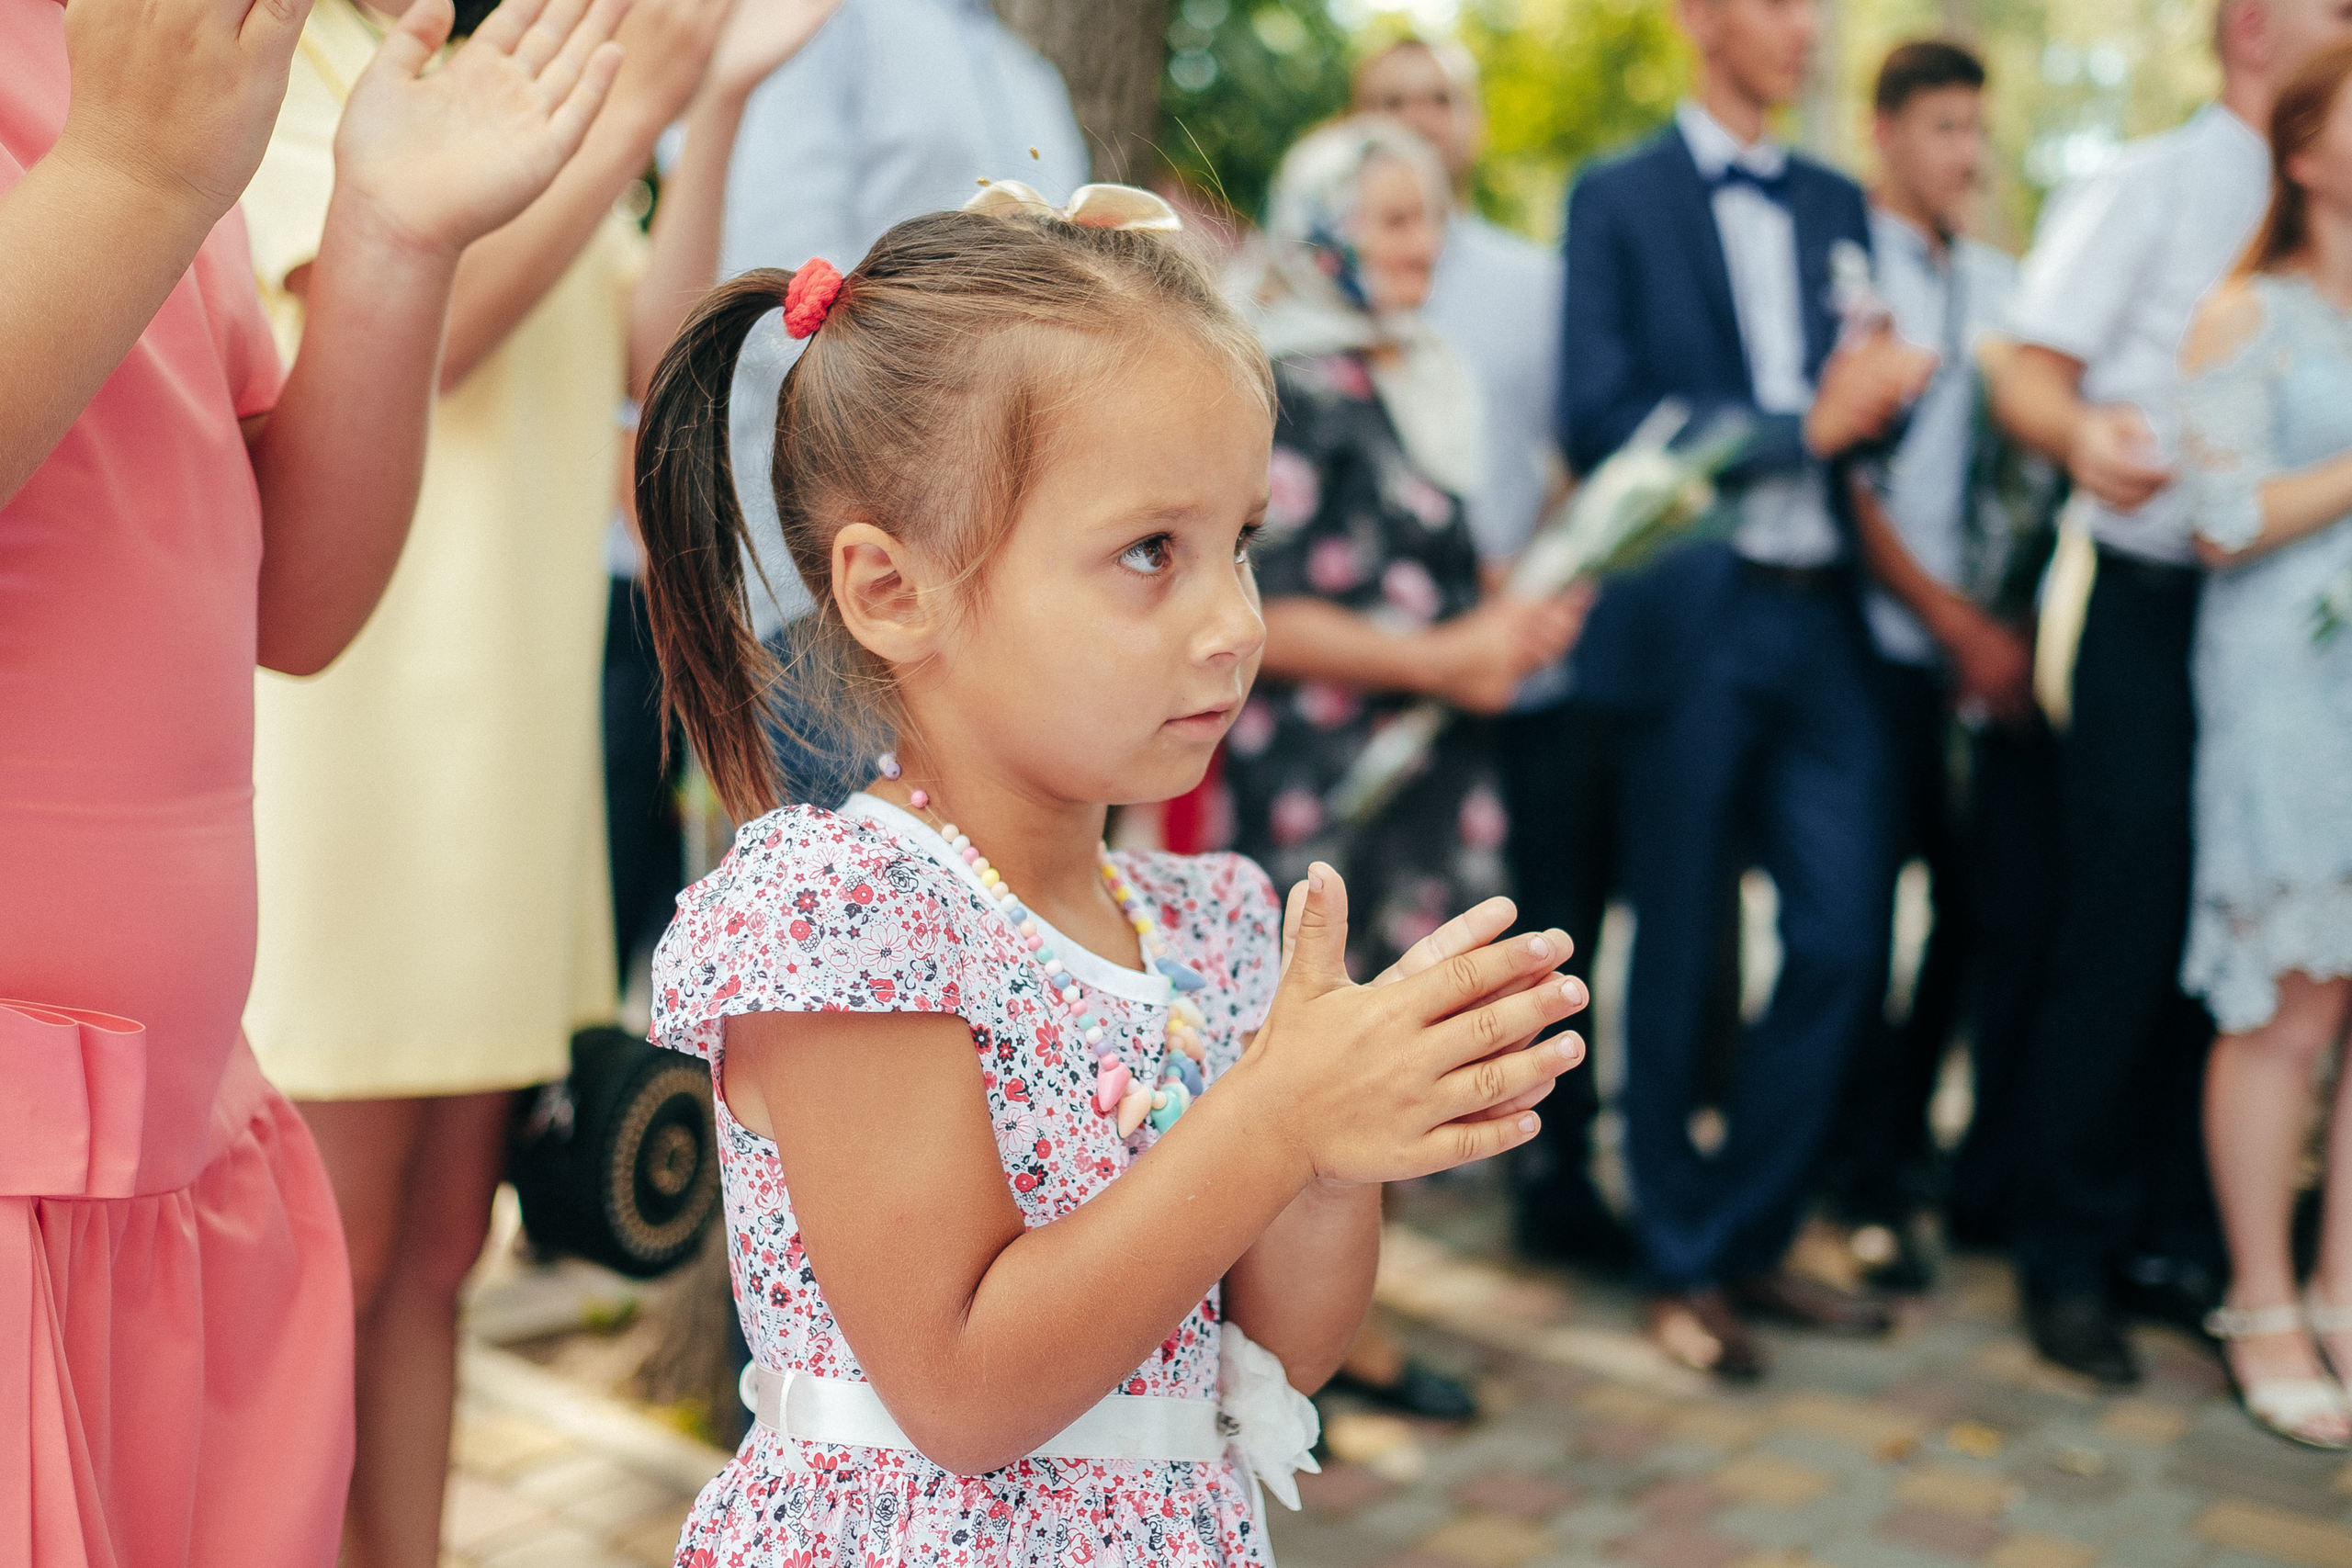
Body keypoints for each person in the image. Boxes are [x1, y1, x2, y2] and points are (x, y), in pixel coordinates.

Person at [629, 195, 1590, 1563]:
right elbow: (963, 1387)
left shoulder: (1207, 917)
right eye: (1152, 552)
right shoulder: (844, 918)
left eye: (1242, 543)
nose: (1236, 622)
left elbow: (1279, 1350)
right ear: (895, 591)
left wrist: (1333, 1148)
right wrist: (1273, 1116)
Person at [0, 0, 624, 1556]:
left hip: (171, 1155)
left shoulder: (124, 40)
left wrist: (392, 242)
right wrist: (134, 176)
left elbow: (295, 597)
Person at [235, 1, 832, 1561]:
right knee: (329, 1270)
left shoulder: (501, 81)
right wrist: (634, 107)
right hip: (348, 750)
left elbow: (659, 351)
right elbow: (428, 332)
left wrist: (713, 102)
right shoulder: (276, 60)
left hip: (511, 762)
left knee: (441, 1253)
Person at [1558, 0, 1937, 1379]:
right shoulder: (1616, 198)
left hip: (1822, 615)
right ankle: (1680, 1260)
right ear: (1699, 17)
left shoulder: (1839, 197)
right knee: (1680, 943)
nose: (1812, 29)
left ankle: (1756, 1230)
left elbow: (1858, 395)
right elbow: (1600, 417)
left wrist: (1892, 389)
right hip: (1691, 620)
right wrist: (1799, 428)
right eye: (1783, 4)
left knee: (1846, 932)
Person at [1989, 0, 2352, 1384]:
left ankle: (2183, 1236)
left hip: (2311, 633)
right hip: (2157, 601)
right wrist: (2082, 429)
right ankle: (2065, 1249)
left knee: (2261, 945)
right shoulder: (2141, 186)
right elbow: (2024, 365)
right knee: (2133, 908)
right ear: (2255, 24)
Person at [1225, 118, 1585, 1420]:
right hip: (1328, 771)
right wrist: (1450, 657)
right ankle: (1315, 1345)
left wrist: (1518, 610)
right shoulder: (1282, 379)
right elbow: (1263, 603)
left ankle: (1332, 1315)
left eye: (1428, 218)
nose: (1419, 245)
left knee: (1388, 1043)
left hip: (1424, 762)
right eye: (1387, 221)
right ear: (1320, 228)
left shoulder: (1414, 372)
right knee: (1332, 1035)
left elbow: (1429, 574)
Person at [1351, 35, 1638, 1270]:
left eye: (1440, 99)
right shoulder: (1332, 277)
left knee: (1552, 917)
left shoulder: (1535, 277)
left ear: (1470, 121)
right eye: (1394, 101)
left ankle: (1555, 1174)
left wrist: (1544, 566)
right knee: (1409, 931)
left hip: (1535, 651)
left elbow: (1575, 442)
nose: (1422, 116)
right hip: (1390, 670)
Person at [1816, 39, 2062, 1291]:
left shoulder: (2006, 283)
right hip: (1878, 641)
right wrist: (1950, 623)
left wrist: (1999, 627)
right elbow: (1848, 479)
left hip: (1982, 648)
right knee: (1862, 913)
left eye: (1979, 128)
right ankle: (1853, 1171)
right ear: (1887, 133)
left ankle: (1912, 1144)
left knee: (1979, 912)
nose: (1966, 153)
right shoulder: (1846, 268)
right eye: (1943, 128)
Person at [716, 0, 1087, 800]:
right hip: (842, 592)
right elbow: (784, 304)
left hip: (1011, 592)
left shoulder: (1030, 75)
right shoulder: (811, 27)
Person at [2174, 37, 2352, 1449]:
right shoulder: (2248, 315)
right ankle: (2260, 1299)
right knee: (2288, 1004)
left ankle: (2348, 1291)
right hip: (2285, 691)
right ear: (2303, 150)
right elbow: (2217, 515)